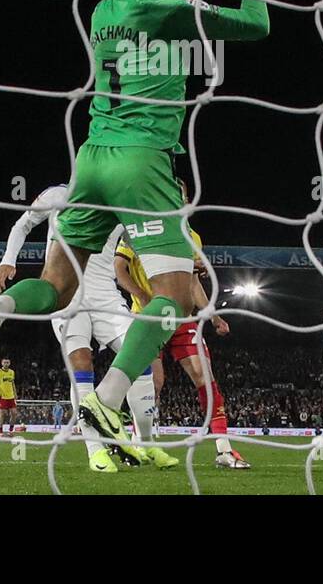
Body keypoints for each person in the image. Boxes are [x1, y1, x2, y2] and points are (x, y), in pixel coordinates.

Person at [0, 0, 269, 457]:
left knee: (54, 287)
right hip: (142, 164)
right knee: (172, 295)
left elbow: (156, 0)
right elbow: (255, 26)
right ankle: (108, 397)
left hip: (91, 161)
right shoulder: (162, 11)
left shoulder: (105, 11)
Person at [0, 183, 173, 472]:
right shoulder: (58, 194)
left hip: (106, 296)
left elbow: (139, 246)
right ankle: (95, 450)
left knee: (141, 357)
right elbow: (22, 225)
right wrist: (7, 262)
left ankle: (146, 442)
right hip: (66, 295)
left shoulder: (120, 201)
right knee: (81, 364)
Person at [114, 198, 249, 468]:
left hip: (182, 318)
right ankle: (139, 443)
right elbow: (119, 269)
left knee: (204, 378)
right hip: (147, 318)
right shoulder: (139, 228)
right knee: (153, 383)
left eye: (185, 198)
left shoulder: (192, 236)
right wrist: (141, 295)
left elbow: (192, 282)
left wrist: (213, 317)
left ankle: (223, 450)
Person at [0, 357, 19, 437]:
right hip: (2, 397)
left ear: (9, 363)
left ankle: (10, 431)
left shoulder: (12, 372)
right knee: (2, 414)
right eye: (4, 362)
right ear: (2, 363)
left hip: (11, 397)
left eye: (7, 362)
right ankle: (0, 432)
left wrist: (15, 393)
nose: (6, 364)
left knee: (14, 413)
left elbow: (12, 383)